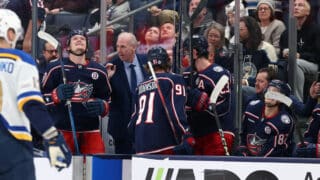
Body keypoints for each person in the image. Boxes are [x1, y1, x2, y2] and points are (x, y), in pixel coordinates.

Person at [0, 9, 71, 180]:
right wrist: (52, 137)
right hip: (12, 143)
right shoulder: (20, 60)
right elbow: (31, 103)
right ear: (9, 33)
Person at [42, 29, 111, 155]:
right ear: (68, 47)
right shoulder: (55, 68)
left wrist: (103, 106)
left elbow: (108, 99)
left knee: (96, 168)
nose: (79, 40)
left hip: (91, 131)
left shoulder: (99, 71)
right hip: (62, 130)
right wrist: (56, 95)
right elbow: (40, 99)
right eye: (75, 39)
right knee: (62, 171)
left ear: (87, 45)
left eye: (82, 38)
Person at [130, 46, 195, 155]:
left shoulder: (139, 87)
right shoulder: (174, 80)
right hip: (165, 145)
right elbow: (175, 113)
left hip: (141, 147)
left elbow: (132, 122)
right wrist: (186, 134)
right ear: (168, 62)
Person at [183, 35, 234, 155]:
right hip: (196, 134)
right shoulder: (186, 74)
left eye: (186, 52)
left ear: (194, 53)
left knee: (213, 173)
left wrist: (203, 104)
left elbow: (224, 107)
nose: (185, 57)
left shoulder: (220, 74)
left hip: (217, 133)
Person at [107, 32, 148, 154]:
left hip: (145, 125)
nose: (119, 51)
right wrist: (107, 79)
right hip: (121, 128)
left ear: (134, 47)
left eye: (123, 47)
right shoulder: (111, 67)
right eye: (117, 46)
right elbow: (104, 94)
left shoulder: (147, 62)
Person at [238, 79, 295, 157]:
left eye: (275, 93)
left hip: (273, 164)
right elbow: (243, 136)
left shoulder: (283, 122)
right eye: (268, 90)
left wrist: (251, 162)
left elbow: (271, 153)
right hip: (248, 159)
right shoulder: (252, 108)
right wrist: (243, 154)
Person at [279, 0, 320, 102]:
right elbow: (280, 52)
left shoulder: (316, 30)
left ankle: (297, 103)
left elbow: (318, 55)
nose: (296, 7)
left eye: (300, 5)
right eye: (294, 5)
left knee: (295, 62)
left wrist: (299, 55)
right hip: (292, 62)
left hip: (313, 64)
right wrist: (284, 52)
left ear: (308, 12)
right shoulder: (286, 33)